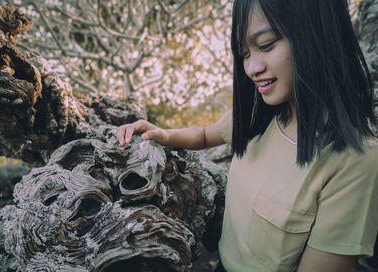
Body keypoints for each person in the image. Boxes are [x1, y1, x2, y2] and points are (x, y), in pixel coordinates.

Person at [117, 0, 378, 271]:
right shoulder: (260, 115)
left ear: (318, 35)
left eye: (265, 45)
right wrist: (161, 134)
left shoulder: (356, 160)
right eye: (244, 53)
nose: (252, 68)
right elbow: (205, 135)